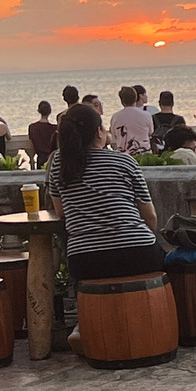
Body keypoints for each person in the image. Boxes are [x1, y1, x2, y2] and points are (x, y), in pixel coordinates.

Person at [46, 103, 164, 284]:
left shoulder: (59, 165)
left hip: (85, 258)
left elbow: (61, 212)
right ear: (98, 132)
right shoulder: (124, 162)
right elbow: (150, 217)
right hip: (137, 250)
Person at [109, 86, 153, 156]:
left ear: (122, 101)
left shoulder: (115, 117)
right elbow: (150, 133)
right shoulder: (146, 115)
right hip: (144, 154)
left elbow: (114, 139)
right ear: (135, 98)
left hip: (124, 156)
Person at [27, 101, 57, 168]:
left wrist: (32, 159)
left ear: (38, 111)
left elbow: (32, 146)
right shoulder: (54, 128)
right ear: (50, 112)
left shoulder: (32, 127)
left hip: (40, 158)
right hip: (52, 159)